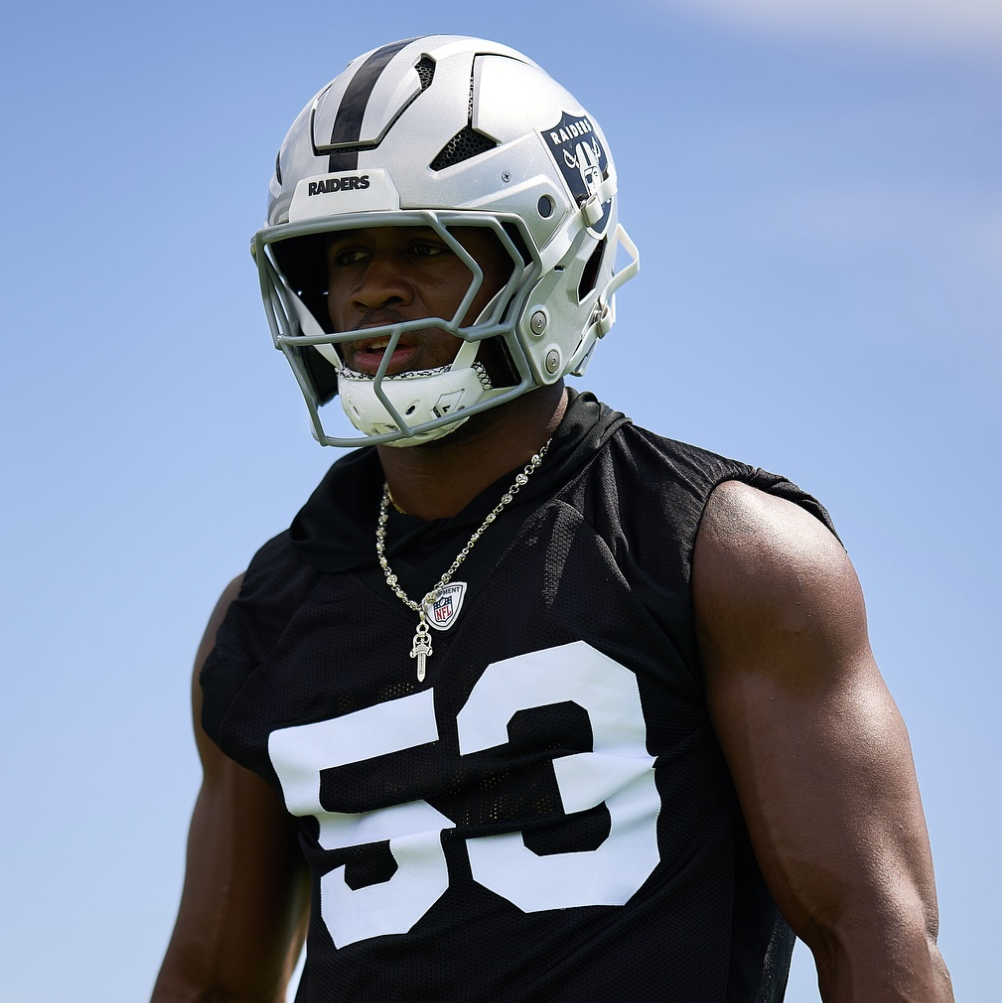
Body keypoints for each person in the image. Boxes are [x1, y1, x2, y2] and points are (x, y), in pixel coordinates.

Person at [151, 35, 952, 1003]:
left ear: (550, 258)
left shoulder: (725, 552)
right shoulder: (264, 615)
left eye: (426, 246)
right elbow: (211, 981)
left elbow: (875, 933)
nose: (370, 289)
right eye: (347, 253)